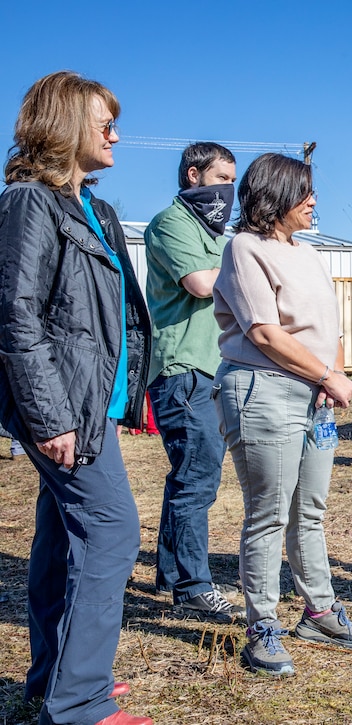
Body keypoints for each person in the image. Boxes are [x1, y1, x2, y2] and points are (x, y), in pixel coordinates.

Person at [0, 72, 152, 725]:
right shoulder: (28, 204)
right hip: (61, 406)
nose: (116, 133)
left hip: (94, 405)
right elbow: (17, 315)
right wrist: (50, 415)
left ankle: (51, 679)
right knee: (113, 529)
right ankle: (80, 702)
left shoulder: (98, 209)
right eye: (104, 122)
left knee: (63, 537)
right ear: (64, 125)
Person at [213, 153, 352, 676]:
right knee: (270, 513)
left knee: (310, 512)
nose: (313, 201)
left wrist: (334, 376)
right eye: (303, 192)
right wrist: (326, 376)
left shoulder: (306, 254)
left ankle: (320, 612)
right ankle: (262, 626)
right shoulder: (244, 248)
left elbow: (329, 328)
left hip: (315, 397)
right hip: (265, 392)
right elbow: (264, 332)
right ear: (274, 197)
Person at [144, 142, 243, 622]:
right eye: (221, 178)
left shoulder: (217, 232)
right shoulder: (171, 224)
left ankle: (171, 573)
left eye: (233, 180)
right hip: (182, 369)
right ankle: (193, 587)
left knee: (189, 475)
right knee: (198, 479)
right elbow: (203, 284)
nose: (229, 189)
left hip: (211, 368)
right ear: (193, 175)